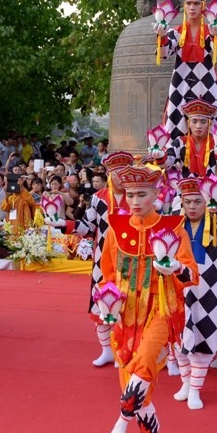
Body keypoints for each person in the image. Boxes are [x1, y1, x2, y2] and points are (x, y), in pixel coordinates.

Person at [99, 165, 197, 433]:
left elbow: (191, 274)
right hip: (124, 316)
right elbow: (107, 276)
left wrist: (176, 267)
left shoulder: (173, 227)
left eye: (142, 194)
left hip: (160, 310)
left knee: (143, 367)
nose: (135, 201)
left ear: (156, 194)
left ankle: (119, 425)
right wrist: (107, 303)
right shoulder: (116, 228)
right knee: (137, 388)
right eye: (130, 195)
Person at [172, 178, 217, 410]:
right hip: (180, 287)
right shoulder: (176, 224)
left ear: (206, 201)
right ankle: (186, 383)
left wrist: (216, 209)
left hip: (209, 289)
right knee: (178, 337)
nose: (191, 206)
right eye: (187, 201)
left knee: (205, 337)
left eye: (197, 201)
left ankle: (196, 390)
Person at [73, 151, 133, 367]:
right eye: (114, 172)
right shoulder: (98, 199)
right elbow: (89, 227)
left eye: (123, 172)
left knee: (128, 305)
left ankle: (123, 350)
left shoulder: (135, 196)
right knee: (103, 303)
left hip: (131, 260)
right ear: (108, 174)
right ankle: (106, 350)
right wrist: (67, 225)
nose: (119, 177)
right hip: (102, 260)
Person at [155, 0, 217, 142]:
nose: (192, 7)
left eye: (196, 3)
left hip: (207, 82)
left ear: (203, 6)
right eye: (188, 3)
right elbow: (164, 53)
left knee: (211, 122)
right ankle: (175, 160)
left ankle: (211, 160)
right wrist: (161, 37)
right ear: (184, 5)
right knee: (175, 121)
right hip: (180, 83)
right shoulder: (176, 32)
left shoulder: (211, 30)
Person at [160, 98, 217, 178]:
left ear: (209, 123)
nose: (198, 126)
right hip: (186, 189)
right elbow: (167, 163)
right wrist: (159, 156)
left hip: (210, 188)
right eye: (194, 121)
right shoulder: (180, 142)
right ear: (188, 123)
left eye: (203, 122)